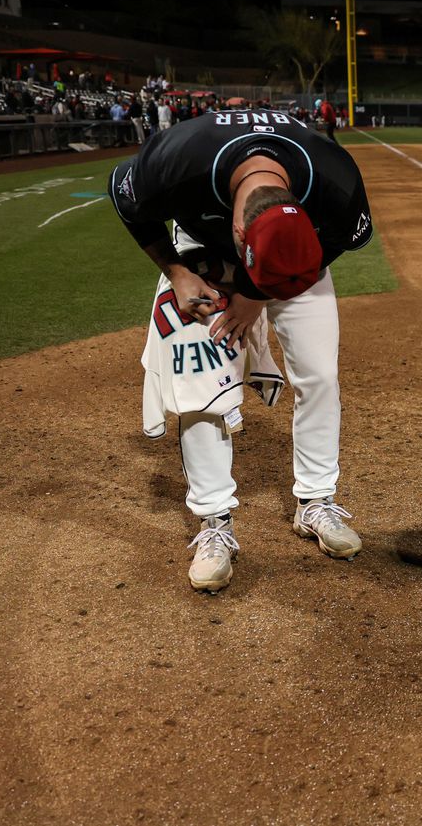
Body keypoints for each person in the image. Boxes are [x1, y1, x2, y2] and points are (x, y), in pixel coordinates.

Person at [108, 111, 376, 593]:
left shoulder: (333, 179)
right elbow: (123, 195)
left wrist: (258, 295)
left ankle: (315, 501)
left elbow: (342, 238)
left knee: (319, 377)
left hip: (297, 257)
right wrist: (175, 271)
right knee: (201, 389)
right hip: (200, 255)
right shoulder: (179, 158)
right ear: (236, 230)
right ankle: (214, 522)